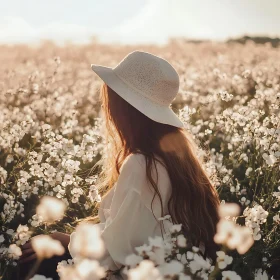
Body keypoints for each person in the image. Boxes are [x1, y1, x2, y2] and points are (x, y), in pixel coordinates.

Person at [19, 50, 220, 279]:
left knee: (35, 255)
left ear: (123, 109)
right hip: (176, 269)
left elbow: (118, 253)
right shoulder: (179, 159)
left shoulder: (142, 165)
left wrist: (65, 240)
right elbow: (132, 235)